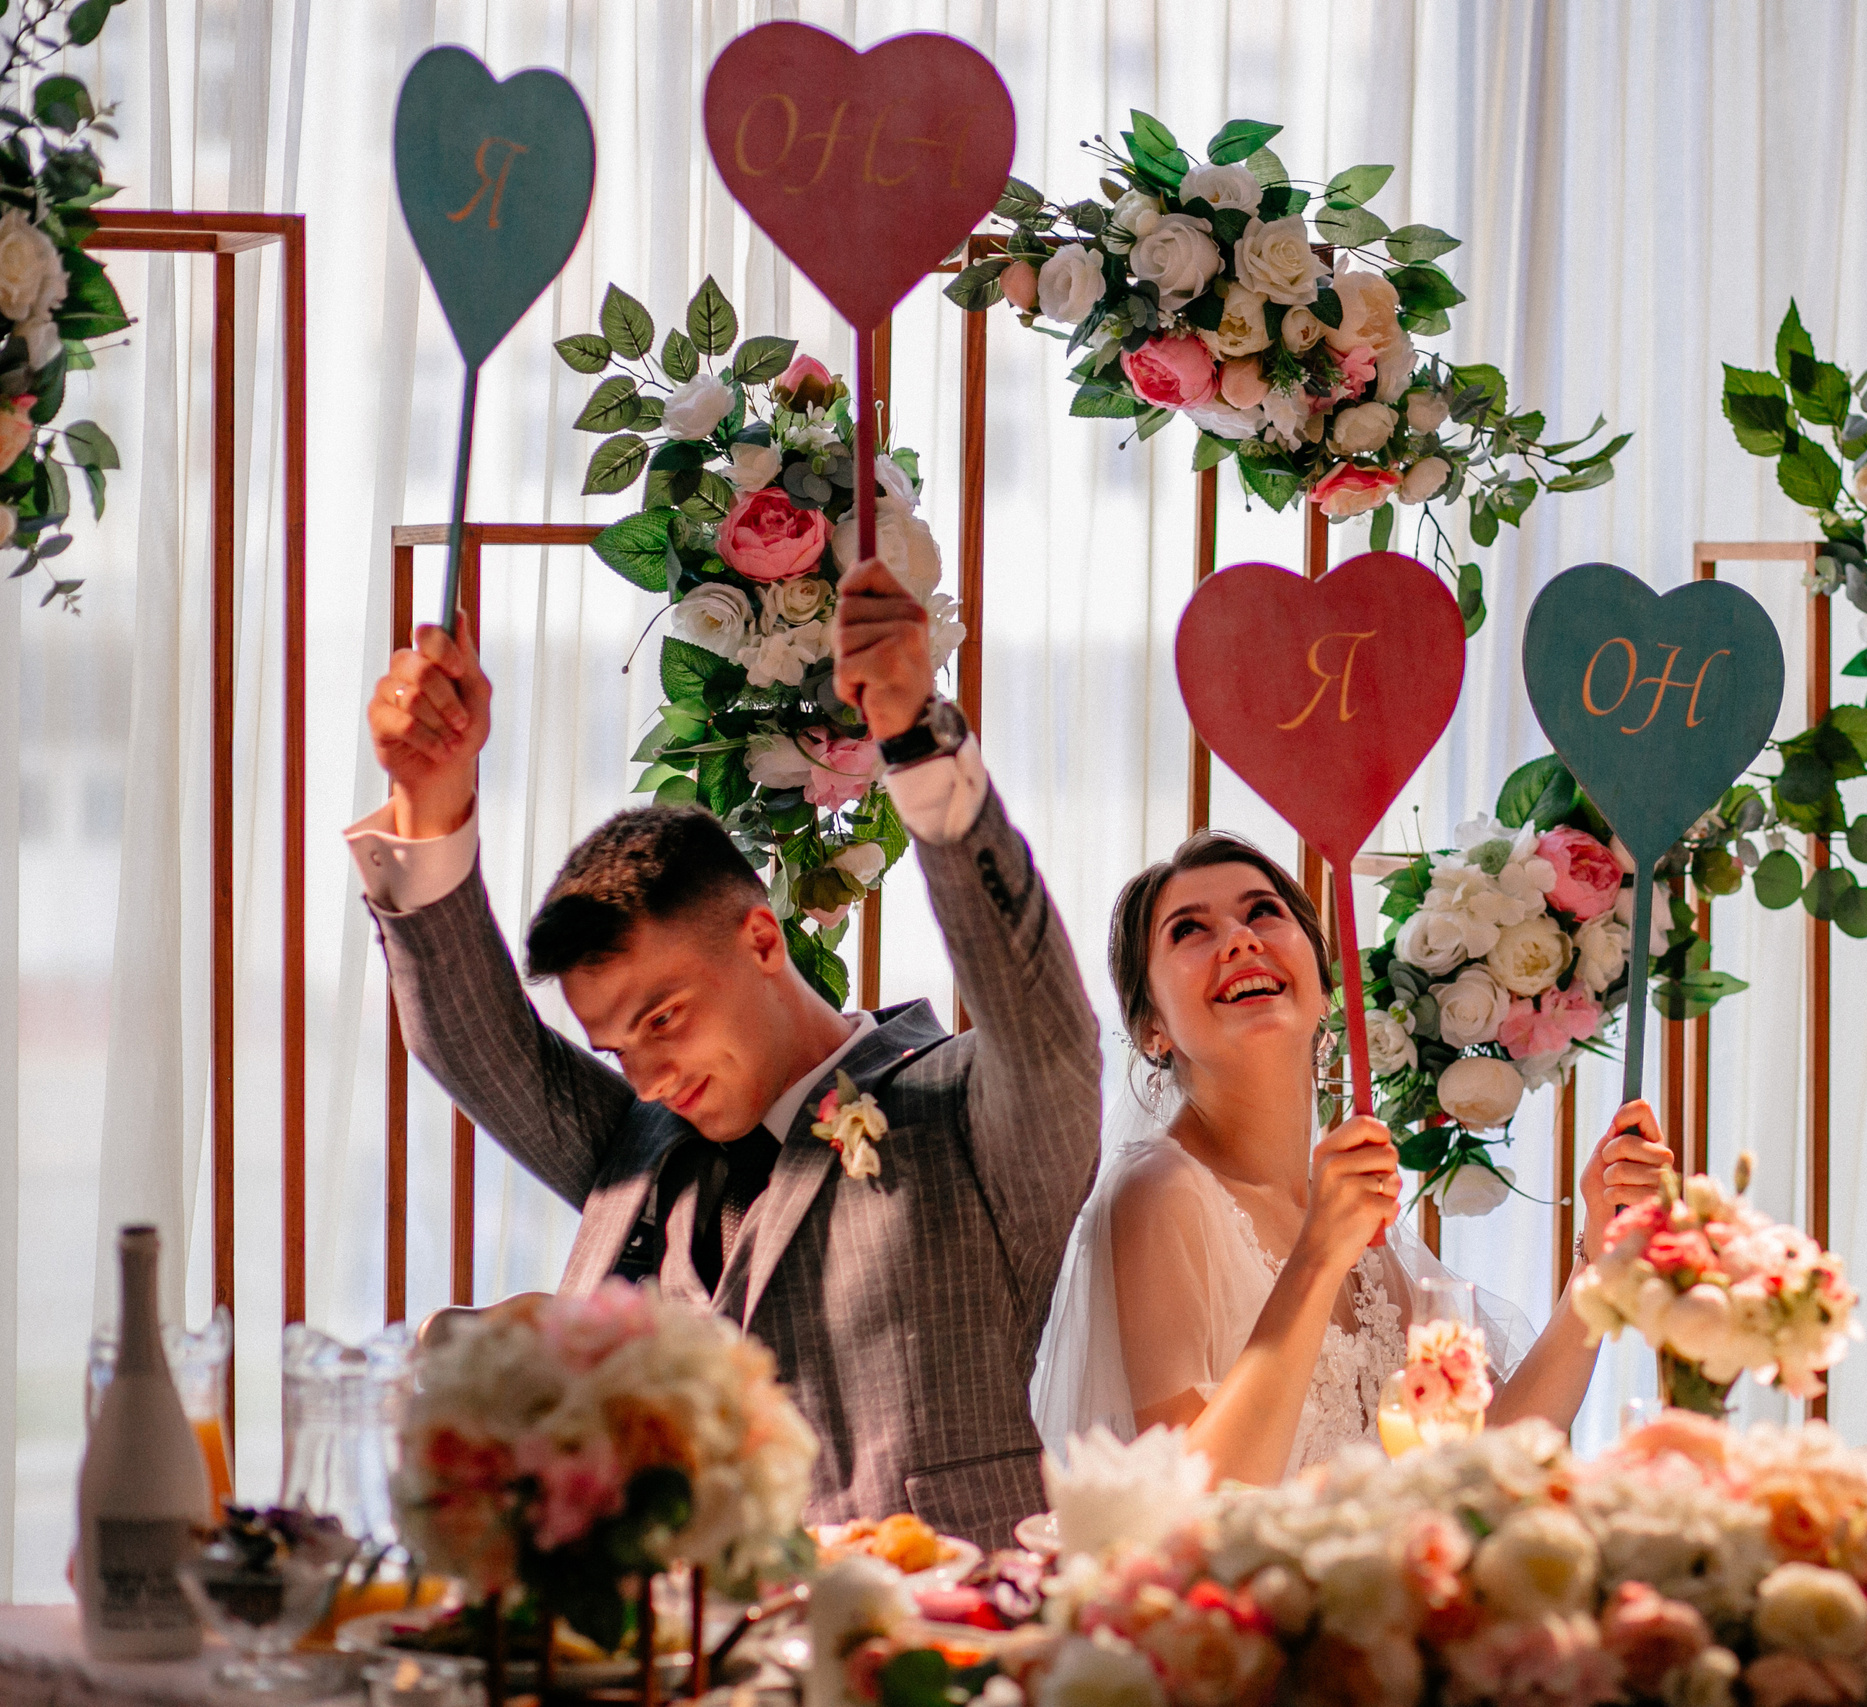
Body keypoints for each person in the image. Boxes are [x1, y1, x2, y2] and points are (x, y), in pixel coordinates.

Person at [352, 555, 1100, 1546]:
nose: (652, 1076)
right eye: (617, 1049)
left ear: (759, 940)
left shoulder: (964, 1113)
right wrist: (431, 801)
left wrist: (919, 742)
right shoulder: (637, 1140)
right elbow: (473, 1043)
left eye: (662, 1018)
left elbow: (1039, 1013)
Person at [1032, 831, 1674, 1483]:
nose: (1240, 938)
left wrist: (1599, 1259)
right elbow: (1182, 1505)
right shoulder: (1159, 1193)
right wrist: (1316, 1256)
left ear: (1322, 988)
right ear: (1151, 1027)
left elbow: (1494, 1449)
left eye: (1262, 911)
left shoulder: (1339, 1207)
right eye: (1189, 930)